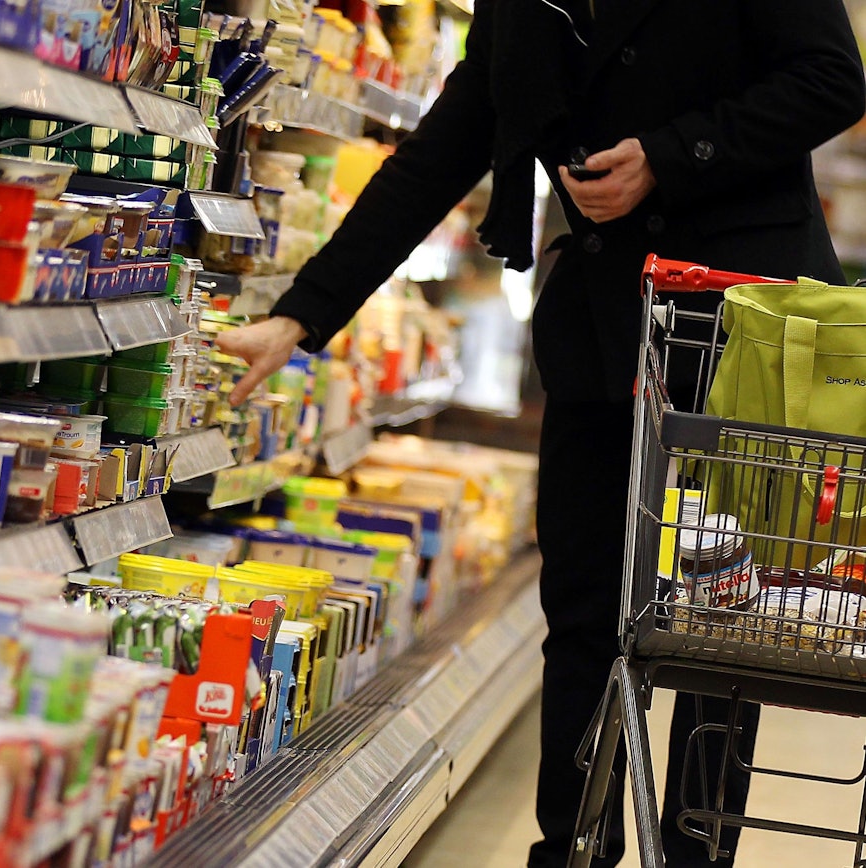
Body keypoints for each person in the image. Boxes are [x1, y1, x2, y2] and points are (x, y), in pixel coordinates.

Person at [215, 0, 866, 865]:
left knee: (725, 627)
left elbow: (830, 80)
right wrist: (300, 315)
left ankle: (698, 851)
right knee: (585, 607)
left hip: (738, 324)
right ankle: (570, 847)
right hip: (603, 324)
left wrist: (667, 159)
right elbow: (446, 144)